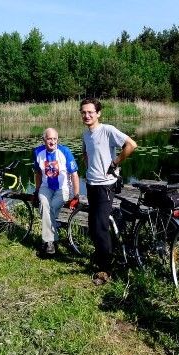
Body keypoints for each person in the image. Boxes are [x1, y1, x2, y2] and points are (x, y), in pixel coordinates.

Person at [80, 98, 137, 285]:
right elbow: (86, 153)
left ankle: (106, 270)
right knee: (93, 225)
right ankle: (101, 259)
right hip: (91, 184)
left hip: (106, 185)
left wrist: (114, 163)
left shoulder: (107, 130)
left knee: (101, 225)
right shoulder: (86, 135)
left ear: (98, 113)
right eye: (83, 112)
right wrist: (88, 169)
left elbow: (131, 145)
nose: (87, 115)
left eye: (90, 112)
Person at [33, 128, 80, 258]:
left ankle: (48, 242)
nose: (52, 142)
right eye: (49, 139)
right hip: (45, 186)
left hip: (63, 188)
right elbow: (38, 173)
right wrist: (36, 191)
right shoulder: (38, 152)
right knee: (43, 203)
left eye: (54, 139)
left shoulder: (65, 152)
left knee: (51, 209)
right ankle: (51, 243)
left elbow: (74, 174)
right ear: (44, 140)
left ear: (57, 139)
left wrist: (76, 196)